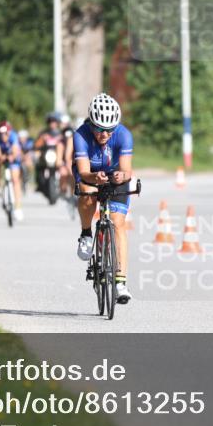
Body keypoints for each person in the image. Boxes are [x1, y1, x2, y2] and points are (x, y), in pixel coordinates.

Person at [74, 93, 134, 304]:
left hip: (114, 174)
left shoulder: (124, 135)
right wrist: (94, 178)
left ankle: (120, 282)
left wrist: (121, 175)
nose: (104, 134)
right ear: (91, 122)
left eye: (109, 129)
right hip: (90, 174)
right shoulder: (81, 135)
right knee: (87, 193)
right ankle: (86, 234)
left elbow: (127, 170)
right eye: (99, 128)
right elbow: (83, 172)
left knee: (118, 224)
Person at [0, 121, 24, 221]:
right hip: (2, 155)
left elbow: (15, 150)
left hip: (12, 156)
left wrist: (12, 157)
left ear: (9, 132)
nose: (3, 136)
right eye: (1, 134)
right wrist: (1, 158)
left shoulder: (13, 136)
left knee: (15, 180)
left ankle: (18, 208)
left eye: (5, 134)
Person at [33, 112, 67, 192]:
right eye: (50, 122)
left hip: (58, 157)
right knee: (38, 165)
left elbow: (66, 144)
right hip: (45, 157)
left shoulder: (61, 133)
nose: (52, 124)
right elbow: (36, 145)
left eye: (54, 121)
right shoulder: (43, 133)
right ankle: (39, 184)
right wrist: (42, 139)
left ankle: (63, 187)